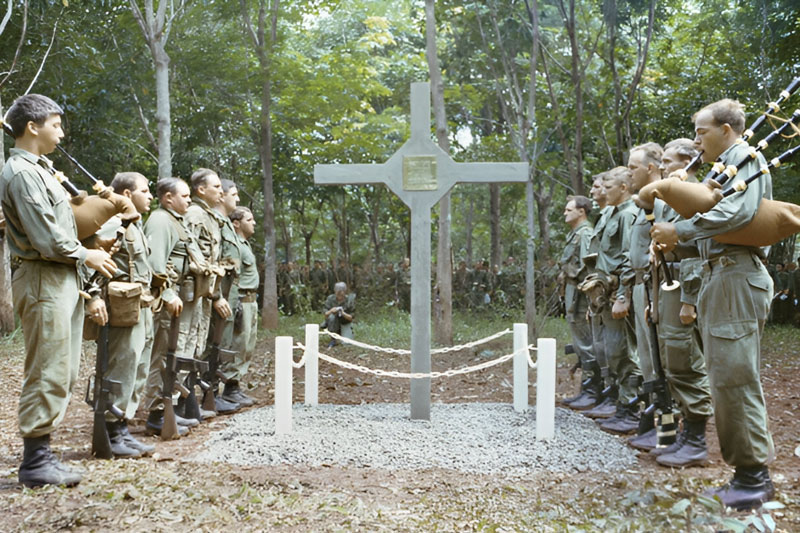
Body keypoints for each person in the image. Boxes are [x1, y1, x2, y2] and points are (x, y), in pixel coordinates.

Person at [651, 99, 775, 510]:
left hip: (736, 277)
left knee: (735, 378)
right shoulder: (724, 167)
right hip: (719, 277)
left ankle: (754, 478)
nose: (697, 139)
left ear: (726, 129)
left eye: (702, 132)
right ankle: (744, 474)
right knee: (724, 377)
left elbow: (737, 214)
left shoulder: (746, 159)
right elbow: (713, 217)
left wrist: (679, 229)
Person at [1, 94, 116, 487]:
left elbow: (63, 228)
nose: (61, 132)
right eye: (56, 124)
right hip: (42, 277)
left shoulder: (42, 170)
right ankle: (34, 462)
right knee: (47, 369)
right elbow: (47, 238)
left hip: (61, 277)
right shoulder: (21, 173)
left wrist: (88, 250)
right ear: (32, 127)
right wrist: (87, 254)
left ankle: (43, 453)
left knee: (63, 371)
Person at [646, 138, 713, 467]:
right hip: (665, 286)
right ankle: (684, 432)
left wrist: (689, 300)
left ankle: (697, 438)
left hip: (686, 287)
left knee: (686, 359)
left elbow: (699, 253)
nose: (663, 167)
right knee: (671, 360)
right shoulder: (667, 200)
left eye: (670, 161)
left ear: (689, 161)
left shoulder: (698, 196)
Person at [88, 172, 157, 457]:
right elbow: (90, 261)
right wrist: (92, 297)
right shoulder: (114, 222)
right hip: (120, 308)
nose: (149, 195)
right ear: (126, 195)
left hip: (139, 305)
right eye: (144, 190)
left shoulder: (135, 224)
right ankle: (110, 430)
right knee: (120, 365)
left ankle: (122, 426)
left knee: (136, 366)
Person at [142, 178, 199, 436]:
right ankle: (156, 413)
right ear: (167, 198)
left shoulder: (174, 220)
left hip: (175, 297)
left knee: (169, 357)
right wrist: (166, 293)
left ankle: (168, 409)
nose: (189, 200)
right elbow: (154, 263)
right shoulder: (160, 221)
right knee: (161, 357)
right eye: (184, 195)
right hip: (165, 300)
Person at [593, 167, 642, 433]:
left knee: (624, 351)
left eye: (608, 187)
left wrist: (622, 295)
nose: (603, 192)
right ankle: (622, 404)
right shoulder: (612, 213)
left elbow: (628, 258)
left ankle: (631, 409)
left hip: (618, 293)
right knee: (613, 351)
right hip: (605, 293)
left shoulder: (629, 214)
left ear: (623, 188)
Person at [557, 195, 598, 410]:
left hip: (582, 297)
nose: (565, 213)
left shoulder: (585, 234)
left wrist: (569, 275)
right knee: (582, 344)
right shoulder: (576, 234)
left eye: (568, 209)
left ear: (581, 211)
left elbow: (587, 266)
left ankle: (592, 391)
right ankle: (587, 389)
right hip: (574, 295)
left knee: (586, 344)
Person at [220, 206, 260, 405]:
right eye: (249, 219)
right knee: (237, 344)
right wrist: (233, 304)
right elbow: (232, 278)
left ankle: (235, 385)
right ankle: (230, 386)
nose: (254, 223)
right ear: (236, 223)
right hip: (241, 301)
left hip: (251, 302)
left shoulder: (245, 244)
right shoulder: (235, 245)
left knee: (247, 346)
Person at [321, 281, 355, 347]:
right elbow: (325, 314)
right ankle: (333, 339)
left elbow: (351, 317)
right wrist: (331, 311)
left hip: (345, 322)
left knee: (347, 344)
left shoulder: (349, 300)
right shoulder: (330, 299)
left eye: (341, 293)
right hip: (333, 321)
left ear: (345, 292)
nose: (340, 295)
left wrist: (343, 313)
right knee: (331, 317)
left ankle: (342, 333)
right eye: (338, 293)